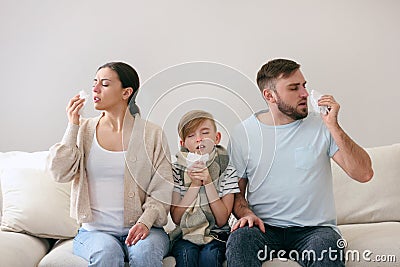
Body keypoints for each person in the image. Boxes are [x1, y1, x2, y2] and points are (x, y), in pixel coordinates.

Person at [226, 58, 374, 267]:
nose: (304, 93)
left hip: (315, 230)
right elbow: (237, 195)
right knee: (240, 239)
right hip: (265, 228)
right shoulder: (244, 134)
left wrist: (334, 126)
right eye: (294, 88)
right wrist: (246, 213)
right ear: (269, 95)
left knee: (327, 247)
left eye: (303, 86)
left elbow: (364, 173)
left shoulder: (321, 126)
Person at [48, 62, 173, 267]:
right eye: (94, 83)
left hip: (146, 229)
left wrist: (145, 221)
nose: (95, 89)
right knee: (107, 254)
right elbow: (59, 173)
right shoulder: (83, 129)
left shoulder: (152, 134)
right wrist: (73, 124)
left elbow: (163, 186)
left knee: (145, 254)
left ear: (126, 92)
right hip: (94, 232)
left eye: (104, 84)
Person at [169, 110, 240, 267]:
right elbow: (176, 218)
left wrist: (208, 182)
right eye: (191, 135)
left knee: (210, 256)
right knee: (187, 255)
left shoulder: (227, 170)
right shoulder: (176, 170)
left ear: (217, 138)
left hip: (217, 235)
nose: (199, 139)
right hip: (185, 234)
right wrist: (194, 185)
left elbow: (222, 220)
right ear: (183, 144)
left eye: (205, 133)